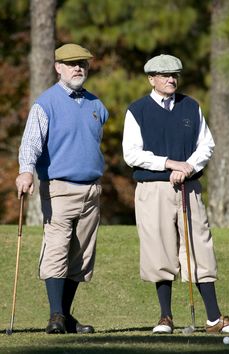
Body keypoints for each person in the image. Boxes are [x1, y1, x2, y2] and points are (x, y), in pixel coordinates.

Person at [122, 54, 229, 334]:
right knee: (159, 248)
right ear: (151, 79)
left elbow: (205, 145)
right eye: (164, 75)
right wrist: (168, 163)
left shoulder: (191, 107)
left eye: (174, 75)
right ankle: (165, 317)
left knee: (200, 246)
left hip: (189, 186)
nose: (171, 79)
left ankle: (213, 318)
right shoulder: (137, 110)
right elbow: (131, 154)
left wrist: (187, 168)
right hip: (153, 188)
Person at [16, 43, 109, 334]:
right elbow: (31, 142)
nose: (78, 68)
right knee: (56, 248)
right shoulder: (46, 103)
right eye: (71, 64)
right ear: (58, 67)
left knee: (80, 256)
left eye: (82, 63)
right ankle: (55, 315)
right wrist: (25, 172)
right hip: (59, 187)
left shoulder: (96, 105)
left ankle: (65, 317)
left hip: (92, 191)